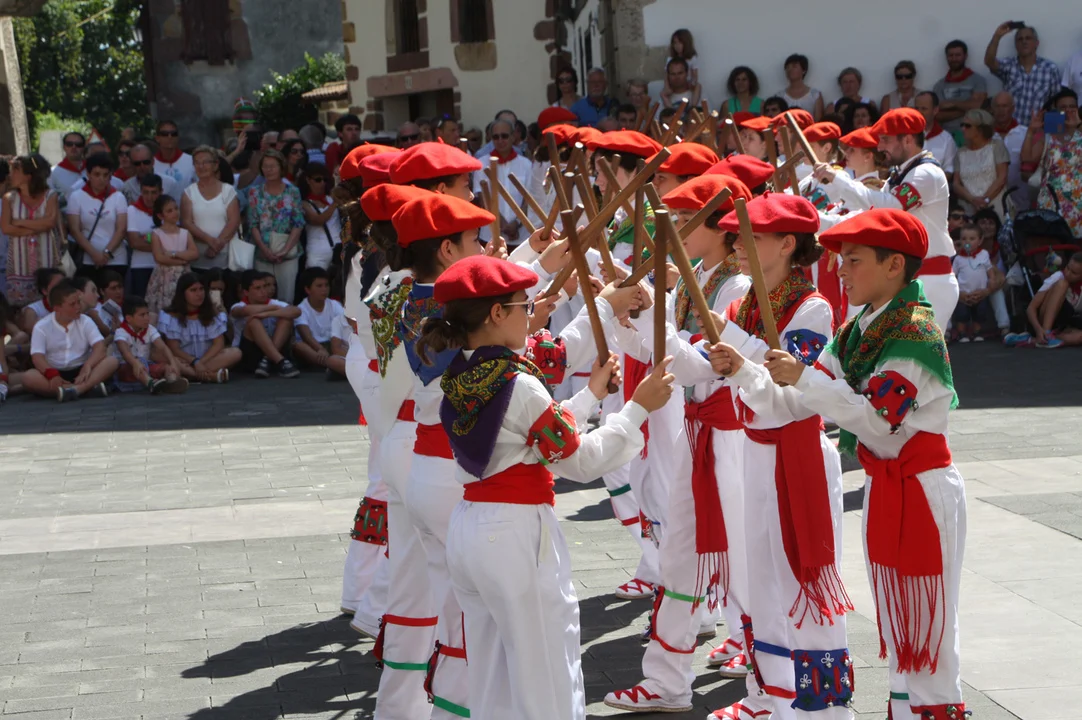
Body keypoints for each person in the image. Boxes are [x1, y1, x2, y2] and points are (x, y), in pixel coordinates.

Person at [418, 254, 667, 720]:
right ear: (497, 313)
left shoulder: (459, 374)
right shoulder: (517, 382)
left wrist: (590, 396)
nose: (529, 315)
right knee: (547, 675)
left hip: (470, 530)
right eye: (523, 305)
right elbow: (579, 461)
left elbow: (530, 434)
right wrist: (638, 408)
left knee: (491, 676)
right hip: (515, 533)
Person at [762, 208, 967, 720]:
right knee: (900, 621)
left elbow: (878, 421)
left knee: (930, 629)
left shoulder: (914, 334)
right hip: (889, 483)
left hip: (922, 487)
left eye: (853, 260)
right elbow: (807, 394)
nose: (841, 271)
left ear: (894, 265)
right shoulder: (860, 328)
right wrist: (748, 370)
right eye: (840, 260)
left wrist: (802, 378)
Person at [603, 176, 759, 715]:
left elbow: (710, 366)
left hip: (732, 437)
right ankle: (667, 680)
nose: (676, 233)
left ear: (719, 228)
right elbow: (672, 354)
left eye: (687, 221)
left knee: (741, 554)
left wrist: (657, 317)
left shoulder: (736, 288)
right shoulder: (700, 280)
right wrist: (632, 321)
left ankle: (764, 669)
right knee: (681, 555)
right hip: (699, 431)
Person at [698, 193, 853, 720]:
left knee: (804, 584)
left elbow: (789, 400)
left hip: (797, 454)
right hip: (755, 452)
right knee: (760, 579)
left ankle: (825, 712)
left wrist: (734, 353)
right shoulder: (744, 302)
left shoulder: (812, 307)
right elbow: (711, 366)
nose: (738, 247)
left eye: (752, 238)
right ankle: (771, 696)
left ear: (788, 244)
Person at [813, 108, 959, 331]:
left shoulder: (926, 173)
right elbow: (868, 215)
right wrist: (813, 219)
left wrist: (838, 179)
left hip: (931, 279)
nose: (880, 147)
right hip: (911, 279)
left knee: (918, 349)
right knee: (897, 349)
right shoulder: (900, 176)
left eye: (886, 140)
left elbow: (891, 208)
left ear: (907, 139)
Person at [22, 281, 118, 402]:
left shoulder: (85, 321)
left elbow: (100, 347)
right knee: (28, 377)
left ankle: (75, 390)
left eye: (78, 302)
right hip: (54, 371)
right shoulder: (41, 327)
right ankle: (84, 388)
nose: (78, 307)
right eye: (72, 304)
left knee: (112, 361)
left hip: (82, 370)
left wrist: (88, 365)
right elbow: (37, 357)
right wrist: (52, 374)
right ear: (57, 308)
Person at [158, 272, 240, 382]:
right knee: (161, 355)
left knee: (235, 353)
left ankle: (192, 374)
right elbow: (174, 349)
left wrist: (200, 362)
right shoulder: (171, 316)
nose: (199, 294)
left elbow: (218, 344)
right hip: (184, 360)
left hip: (207, 360)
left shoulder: (212, 313)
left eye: (201, 289)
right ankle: (208, 376)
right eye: (193, 290)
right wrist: (194, 361)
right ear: (182, 294)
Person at [2, 155, 62, 306]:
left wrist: (19, 222)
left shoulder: (50, 196)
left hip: (47, 262)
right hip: (19, 265)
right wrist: (37, 227)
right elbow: (6, 228)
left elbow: (50, 222)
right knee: (20, 308)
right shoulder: (9, 198)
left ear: (28, 176)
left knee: (51, 304)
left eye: (15, 171)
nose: (10, 175)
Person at [1022, 89, 1082, 237]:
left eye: (1072, 107)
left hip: (1079, 201)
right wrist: (1031, 131)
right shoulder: (1048, 137)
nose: (1068, 111)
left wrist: (1077, 126)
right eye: (1063, 107)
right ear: (1056, 111)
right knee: (1054, 243)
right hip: (1051, 200)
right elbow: (1027, 158)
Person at [248, 150, 305, 303]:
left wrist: (284, 250)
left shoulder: (292, 192)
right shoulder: (254, 192)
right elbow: (253, 224)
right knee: (262, 297)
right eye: (265, 166)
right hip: (262, 251)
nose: (269, 170)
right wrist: (264, 249)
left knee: (286, 297)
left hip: (287, 251)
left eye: (273, 166)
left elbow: (298, 223)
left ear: (281, 167)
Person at [472, 119, 535, 245]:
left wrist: (516, 223)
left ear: (513, 137)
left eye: (504, 136)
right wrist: (503, 225)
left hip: (521, 236)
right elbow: (484, 200)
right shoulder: (481, 164)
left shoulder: (526, 164)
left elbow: (529, 200)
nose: (500, 140)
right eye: (496, 137)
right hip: (490, 236)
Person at [984, 22, 1061, 124]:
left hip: (1038, 129)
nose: (1024, 41)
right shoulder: (1008, 65)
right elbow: (989, 62)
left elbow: (1056, 103)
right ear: (1016, 45)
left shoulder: (1050, 69)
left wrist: (1053, 130)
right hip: (1011, 129)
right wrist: (997, 36)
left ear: (1036, 43)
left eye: (1028, 38)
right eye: (1020, 39)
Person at [67, 154, 129, 280]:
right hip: (88, 259)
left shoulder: (118, 197)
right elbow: (74, 230)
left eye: (106, 175)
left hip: (116, 258)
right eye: (97, 174)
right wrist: (94, 254)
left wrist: (106, 253)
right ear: (88, 174)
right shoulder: (76, 197)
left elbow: (121, 229)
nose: (101, 179)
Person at [111, 295, 189, 394]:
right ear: (129, 318)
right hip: (127, 369)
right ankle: (151, 383)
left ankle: (172, 382)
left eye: (147, 314)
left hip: (145, 366)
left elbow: (163, 347)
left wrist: (172, 362)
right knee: (139, 362)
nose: (147, 318)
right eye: (142, 315)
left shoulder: (149, 329)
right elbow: (125, 352)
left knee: (165, 366)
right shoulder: (121, 332)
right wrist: (135, 363)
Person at [230, 270, 301, 377]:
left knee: (286, 319)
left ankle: (268, 359)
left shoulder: (273, 303)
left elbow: (297, 311)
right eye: (258, 288)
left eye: (265, 286)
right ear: (246, 292)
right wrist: (273, 308)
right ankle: (280, 361)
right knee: (253, 321)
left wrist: (267, 314)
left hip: (271, 351)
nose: (263, 291)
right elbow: (244, 311)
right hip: (248, 354)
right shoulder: (238, 306)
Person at [182, 146, 241, 273]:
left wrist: (216, 247)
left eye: (205, 162)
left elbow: (234, 221)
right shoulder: (189, 192)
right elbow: (187, 223)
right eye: (197, 162)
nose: (201, 166)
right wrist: (210, 241)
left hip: (226, 259)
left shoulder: (228, 190)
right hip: (198, 258)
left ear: (215, 165)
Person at [146, 194, 198, 316]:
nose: (175, 212)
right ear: (160, 215)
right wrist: (182, 261)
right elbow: (159, 257)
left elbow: (194, 253)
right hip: (164, 277)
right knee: (165, 308)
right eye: (169, 211)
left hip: (183, 275)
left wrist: (174, 254)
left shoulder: (185, 233)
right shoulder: (157, 234)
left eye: (176, 208)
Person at [1017, 251, 1082, 348]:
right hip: (1042, 321)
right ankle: (1046, 333)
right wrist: (1039, 330)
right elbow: (1031, 308)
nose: (1068, 273)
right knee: (1062, 284)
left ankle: (1033, 340)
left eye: (1074, 273)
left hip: (1063, 324)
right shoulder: (1058, 277)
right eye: (1067, 268)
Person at [953, 109, 1010, 220]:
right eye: (962, 125)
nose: (963, 129)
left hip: (996, 206)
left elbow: (1002, 178)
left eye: (968, 126)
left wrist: (985, 200)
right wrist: (973, 200)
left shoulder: (997, 146)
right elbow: (956, 184)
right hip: (969, 209)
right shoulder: (960, 152)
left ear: (980, 129)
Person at [291, 266, 346, 377]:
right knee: (299, 346)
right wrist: (320, 349)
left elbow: (344, 327)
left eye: (326, 285)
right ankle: (333, 366)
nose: (324, 289)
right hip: (314, 347)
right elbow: (306, 336)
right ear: (308, 289)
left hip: (333, 344)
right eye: (319, 286)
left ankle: (334, 366)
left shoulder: (334, 305)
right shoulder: (302, 308)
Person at [933, 40, 989, 135]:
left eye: (958, 55)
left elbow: (979, 106)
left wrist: (952, 104)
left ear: (965, 56)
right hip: (947, 135)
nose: (954, 59)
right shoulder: (939, 86)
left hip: (974, 135)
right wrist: (967, 108)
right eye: (951, 55)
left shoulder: (978, 80)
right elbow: (937, 115)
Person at [951, 223, 995, 342]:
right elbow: (953, 275)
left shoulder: (984, 254)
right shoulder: (958, 259)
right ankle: (962, 333)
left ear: (980, 241)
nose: (967, 242)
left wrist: (991, 280)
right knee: (962, 314)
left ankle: (977, 332)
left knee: (979, 313)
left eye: (972, 239)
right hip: (964, 294)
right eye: (964, 239)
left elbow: (989, 269)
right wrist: (958, 292)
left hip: (980, 292)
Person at [990, 91, 1031, 212]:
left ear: (1013, 109)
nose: (1001, 110)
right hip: (992, 199)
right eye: (997, 106)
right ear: (992, 109)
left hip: (1021, 200)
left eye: (1004, 106)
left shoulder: (1025, 134)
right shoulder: (985, 135)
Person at [299, 163, 342, 270]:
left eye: (325, 180)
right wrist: (335, 203)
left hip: (339, 249)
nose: (322, 183)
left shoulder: (331, 199)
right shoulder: (304, 203)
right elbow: (318, 220)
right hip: (317, 253)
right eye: (318, 180)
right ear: (308, 180)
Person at [125, 174, 162, 298]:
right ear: (140, 192)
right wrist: (162, 245)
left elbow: (174, 239)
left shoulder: (168, 210)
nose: (149, 197)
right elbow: (134, 242)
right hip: (140, 267)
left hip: (163, 266)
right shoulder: (132, 210)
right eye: (146, 192)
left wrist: (146, 238)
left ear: (161, 192)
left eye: (154, 192)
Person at [914, 92, 959, 175]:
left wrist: (936, 181)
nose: (919, 112)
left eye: (924, 109)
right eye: (916, 108)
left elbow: (949, 169)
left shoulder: (946, 139)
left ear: (935, 110)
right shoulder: (906, 136)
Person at [660, 29, 699, 110]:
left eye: (680, 43)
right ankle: (671, 110)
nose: (677, 46)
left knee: (698, 86)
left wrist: (693, 83)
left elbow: (695, 74)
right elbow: (666, 74)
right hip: (674, 85)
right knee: (663, 94)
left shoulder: (692, 58)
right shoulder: (670, 59)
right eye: (675, 43)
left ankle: (693, 107)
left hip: (687, 83)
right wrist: (667, 87)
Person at [17, 267, 64, 334]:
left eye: (64, 285)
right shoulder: (32, 311)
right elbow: (32, 330)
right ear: (45, 291)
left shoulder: (73, 306)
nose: (63, 289)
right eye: (57, 286)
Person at [152, 120, 196, 189]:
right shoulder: (151, 164)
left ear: (178, 137)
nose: (170, 137)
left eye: (173, 134)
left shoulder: (191, 161)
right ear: (157, 138)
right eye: (165, 134)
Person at [779, 54, 824, 120]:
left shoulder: (815, 95)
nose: (790, 70)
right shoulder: (780, 96)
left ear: (804, 70)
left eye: (794, 67)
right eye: (787, 67)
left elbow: (818, 120)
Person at [48, 131, 87, 205]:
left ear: (83, 147)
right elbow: (48, 200)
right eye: (69, 144)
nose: (74, 147)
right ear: (64, 147)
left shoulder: (93, 170)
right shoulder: (53, 172)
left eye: (78, 145)